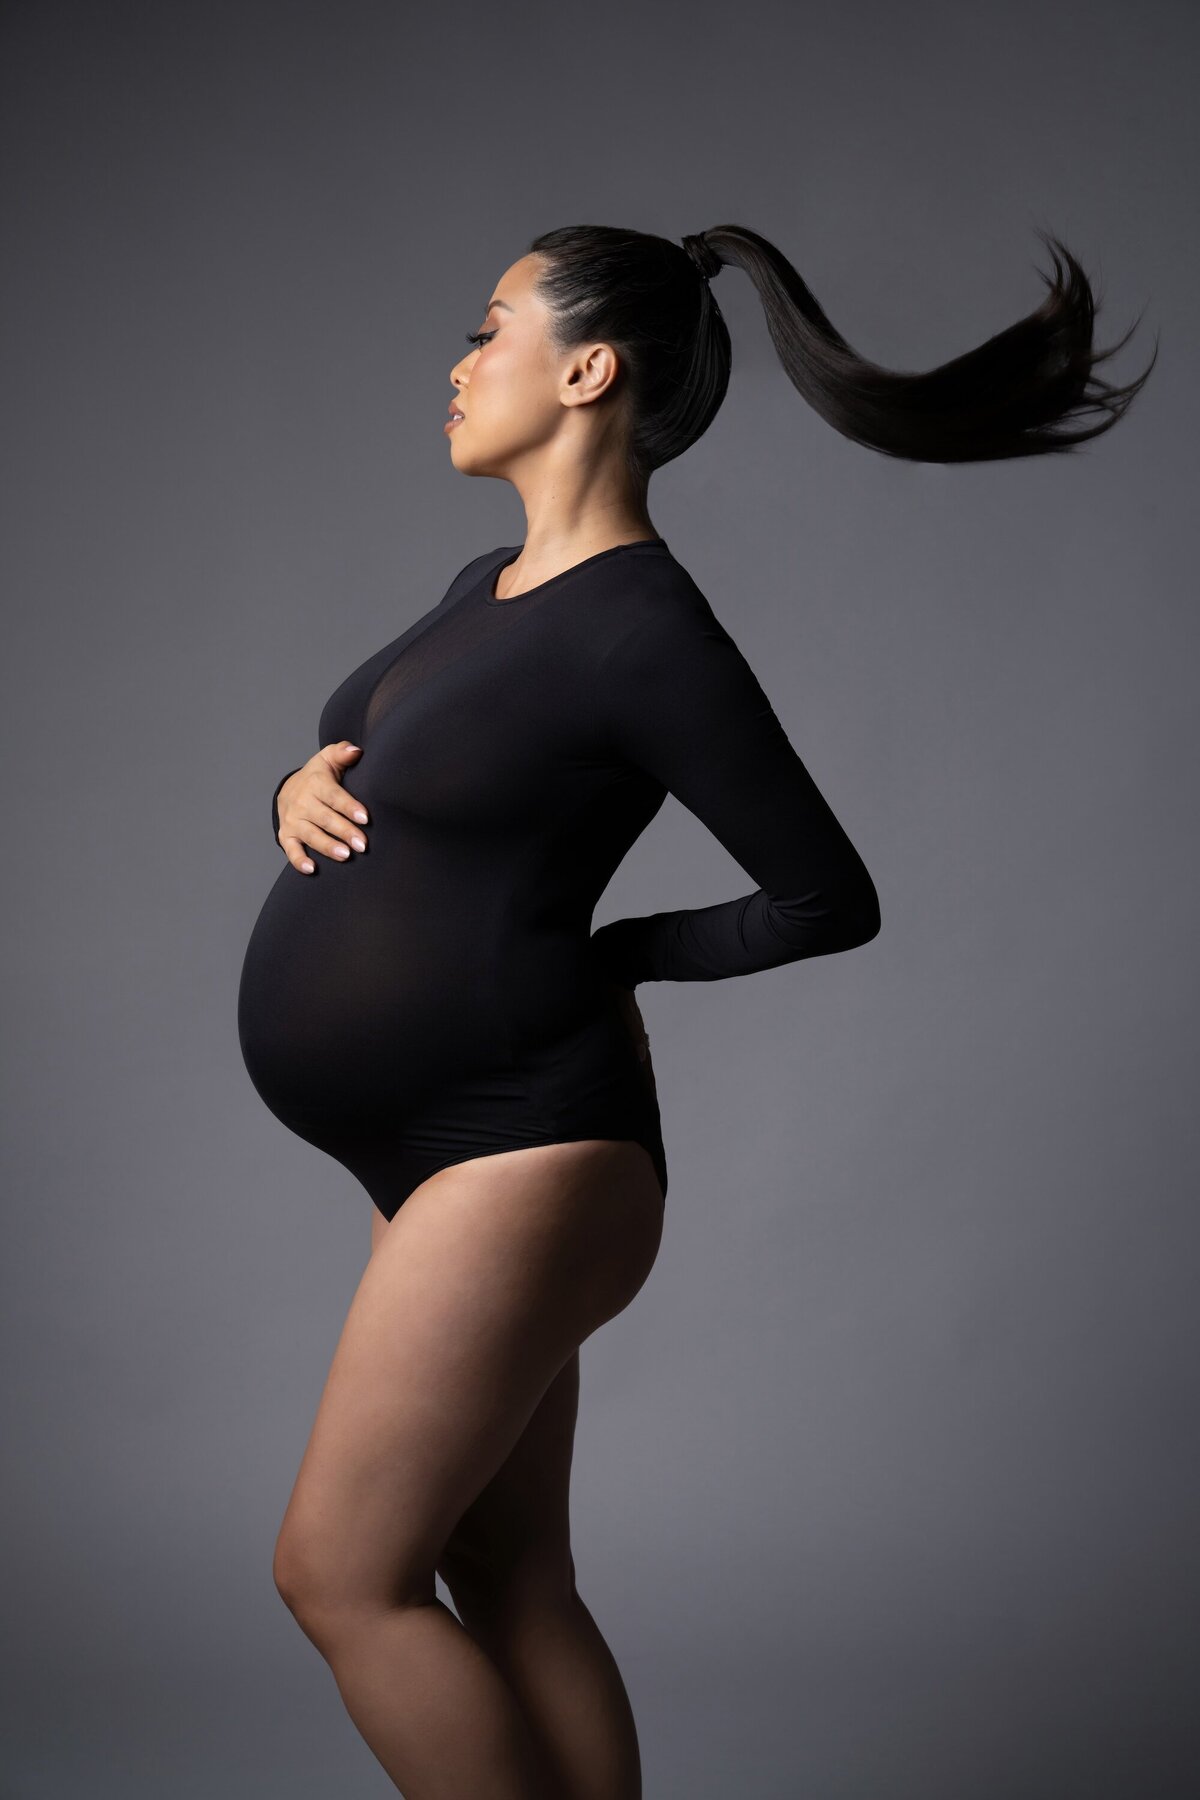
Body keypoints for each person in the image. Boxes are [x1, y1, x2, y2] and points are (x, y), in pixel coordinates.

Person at [236, 223, 1154, 1797]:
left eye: (491, 328)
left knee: (339, 1576)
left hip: (523, 1145)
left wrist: (618, 957)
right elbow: (373, 764)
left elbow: (825, 896)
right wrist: (290, 786)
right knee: (509, 1576)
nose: (460, 363)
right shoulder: (484, 584)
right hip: (434, 1153)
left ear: (588, 368)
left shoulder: (642, 626)